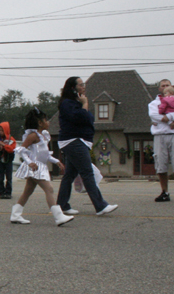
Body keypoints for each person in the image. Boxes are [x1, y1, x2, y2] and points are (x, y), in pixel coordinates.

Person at [56, 77, 118, 216]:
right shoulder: (67, 103)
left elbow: (88, 119)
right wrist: (85, 103)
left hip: (78, 141)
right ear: (73, 88)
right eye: (81, 84)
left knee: (69, 175)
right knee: (87, 173)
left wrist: (83, 104)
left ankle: (62, 205)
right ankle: (100, 206)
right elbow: (81, 118)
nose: (84, 86)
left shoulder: (75, 103)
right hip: (73, 141)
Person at [10, 108, 74, 226]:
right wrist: (29, 162)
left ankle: (15, 214)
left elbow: (45, 154)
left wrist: (56, 161)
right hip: (35, 167)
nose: (48, 122)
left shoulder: (43, 136)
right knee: (49, 189)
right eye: (46, 120)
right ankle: (58, 216)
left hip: (41, 166)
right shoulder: (33, 136)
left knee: (28, 191)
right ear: (40, 123)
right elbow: (21, 150)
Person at [148, 79, 174, 203]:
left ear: (172, 87)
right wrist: (171, 120)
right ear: (159, 88)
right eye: (163, 86)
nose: (165, 87)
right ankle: (165, 192)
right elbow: (154, 115)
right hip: (160, 135)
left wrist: (170, 117)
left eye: (167, 85)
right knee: (161, 165)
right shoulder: (154, 103)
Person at [0, 121, 16, 199]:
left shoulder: (11, 139)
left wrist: (4, 145)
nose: (0, 132)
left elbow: (11, 149)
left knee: (8, 177)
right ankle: (1, 192)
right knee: (0, 177)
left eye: (2, 130)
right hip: (0, 160)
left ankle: (8, 192)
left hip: (8, 160)